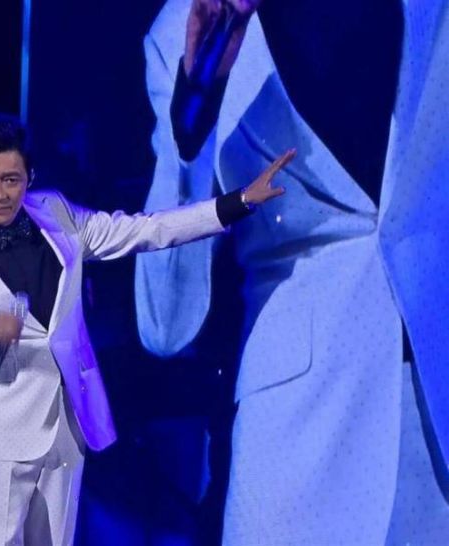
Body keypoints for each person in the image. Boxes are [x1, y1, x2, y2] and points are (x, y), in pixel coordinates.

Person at [135, 0, 449, 544]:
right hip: (296, 434)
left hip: (433, 405)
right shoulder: (181, 31)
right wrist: (194, 131)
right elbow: (165, 325)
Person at [0, 113, 293, 545]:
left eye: (10, 180)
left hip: (66, 430)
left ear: (30, 177)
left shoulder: (56, 213)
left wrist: (238, 201)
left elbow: (145, 229)